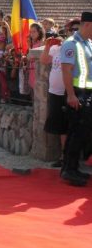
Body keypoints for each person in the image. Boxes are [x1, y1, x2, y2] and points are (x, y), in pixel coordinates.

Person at [59, 11, 92, 187]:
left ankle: (70, 167)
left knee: (81, 131)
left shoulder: (89, 43)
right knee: (76, 132)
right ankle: (69, 170)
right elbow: (66, 70)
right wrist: (71, 95)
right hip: (77, 93)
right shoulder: (71, 43)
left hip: (87, 93)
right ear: (87, 24)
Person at [41, 20, 78, 168]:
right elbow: (44, 60)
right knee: (61, 126)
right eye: (71, 29)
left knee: (72, 126)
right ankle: (64, 157)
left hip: (71, 92)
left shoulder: (80, 49)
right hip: (55, 92)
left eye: (76, 29)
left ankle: (71, 158)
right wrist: (47, 46)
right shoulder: (57, 48)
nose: (73, 32)